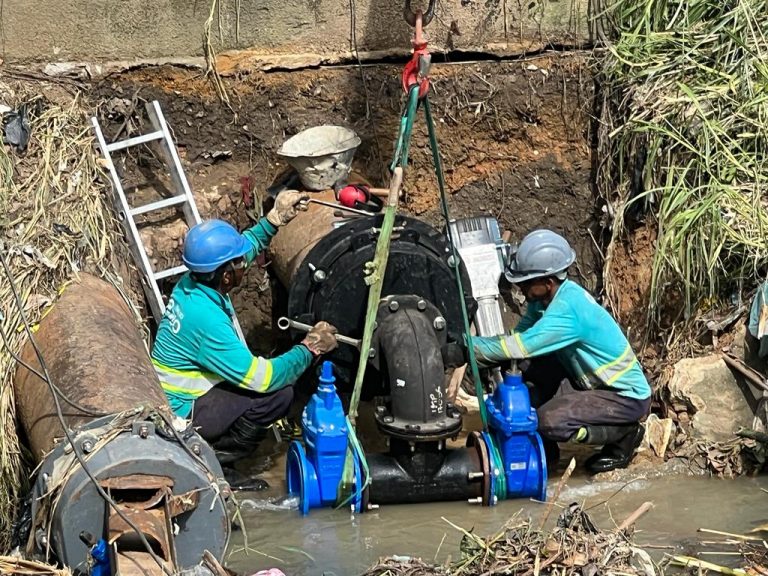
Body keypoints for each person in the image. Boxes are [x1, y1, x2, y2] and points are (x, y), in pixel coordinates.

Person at [151, 190, 339, 466]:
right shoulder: (207, 322)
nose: (245, 265)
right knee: (277, 396)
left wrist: (274, 220)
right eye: (239, 264)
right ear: (226, 275)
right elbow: (262, 379)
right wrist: (309, 349)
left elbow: (244, 251)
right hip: (182, 415)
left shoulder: (193, 283)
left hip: (177, 397)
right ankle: (213, 460)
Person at [470, 229, 651, 474]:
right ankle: (548, 453)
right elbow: (516, 340)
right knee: (524, 375)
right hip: (588, 383)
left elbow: (519, 347)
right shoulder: (543, 302)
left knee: (549, 421)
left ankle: (625, 435)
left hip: (624, 396)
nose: (521, 289)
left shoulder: (567, 310)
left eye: (526, 283)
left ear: (548, 282)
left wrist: (469, 348)